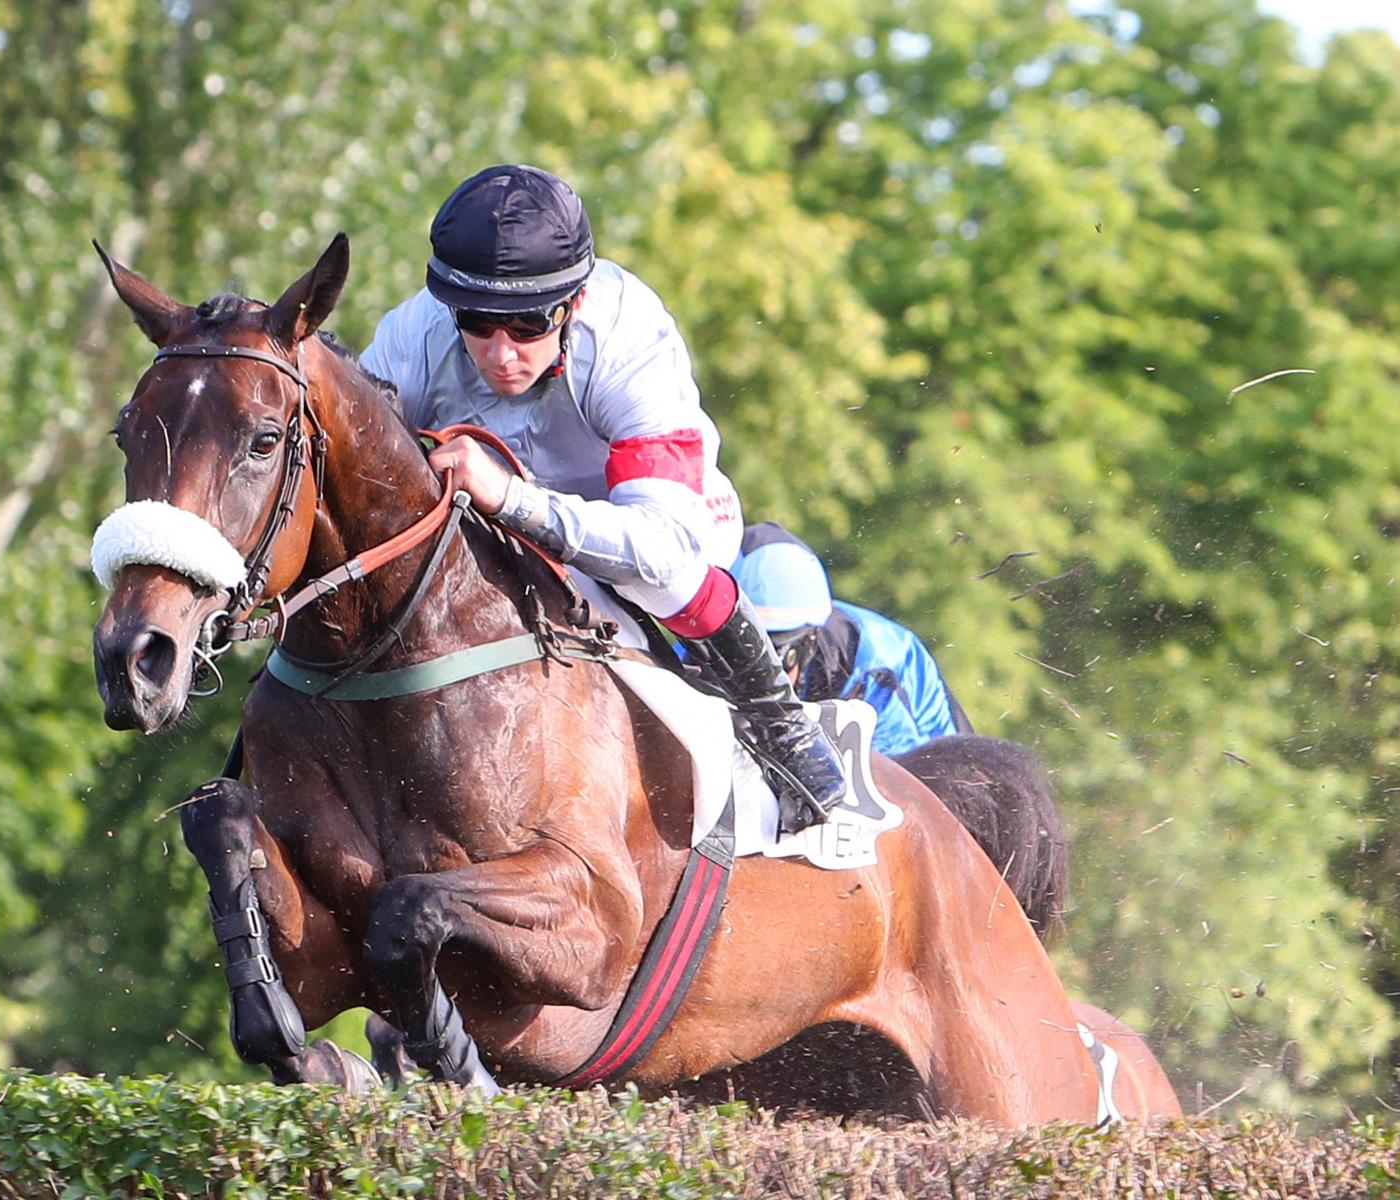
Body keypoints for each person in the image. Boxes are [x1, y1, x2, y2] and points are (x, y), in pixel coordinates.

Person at [359, 164, 846, 822]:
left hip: (648, 528)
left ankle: (782, 726)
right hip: (498, 532)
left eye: (529, 324)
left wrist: (511, 499)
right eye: (478, 321)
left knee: (659, 573)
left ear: (574, 303)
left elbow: (660, 546)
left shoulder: (628, 334)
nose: (502, 353)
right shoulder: (412, 334)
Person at [732, 523, 970, 757]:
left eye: (775, 657)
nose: (757, 678)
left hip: (920, 741)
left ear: (807, 643)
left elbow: (898, 775)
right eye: (739, 654)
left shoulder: (868, 665)